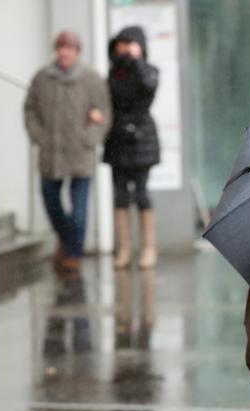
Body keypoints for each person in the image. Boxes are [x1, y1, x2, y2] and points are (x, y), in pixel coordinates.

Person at [24, 31, 111, 274]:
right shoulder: (42, 78)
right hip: (50, 153)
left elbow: (104, 114)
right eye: (60, 47)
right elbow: (30, 109)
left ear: (77, 51)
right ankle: (67, 239)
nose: (64, 52)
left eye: (69, 48)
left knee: (79, 209)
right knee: (51, 202)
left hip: (80, 154)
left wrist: (90, 138)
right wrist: (38, 136)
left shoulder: (92, 79)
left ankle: (73, 253)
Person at [104, 26, 161, 270]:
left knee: (141, 192)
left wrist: (137, 59)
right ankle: (124, 248)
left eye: (130, 43)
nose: (124, 48)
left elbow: (148, 87)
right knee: (119, 195)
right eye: (121, 43)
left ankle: (148, 248)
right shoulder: (112, 73)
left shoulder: (148, 70)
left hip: (142, 139)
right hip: (117, 136)